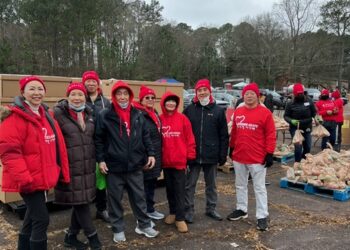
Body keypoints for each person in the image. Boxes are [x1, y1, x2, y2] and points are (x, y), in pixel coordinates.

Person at [0, 76, 70, 250]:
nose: (36, 93)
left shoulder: (46, 115)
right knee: (41, 219)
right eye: (31, 89)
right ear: (23, 92)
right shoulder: (14, 118)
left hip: (43, 178)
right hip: (29, 181)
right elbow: (10, 153)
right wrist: (25, 180)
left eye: (40, 89)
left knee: (32, 217)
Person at [95, 80, 159, 242]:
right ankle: (118, 228)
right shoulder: (105, 115)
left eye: (125, 94)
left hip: (135, 165)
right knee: (115, 199)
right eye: (119, 94)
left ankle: (144, 225)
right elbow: (99, 140)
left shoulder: (138, 114)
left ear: (130, 96)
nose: (122, 97)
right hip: (114, 166)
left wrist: (151, 154)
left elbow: (146, 136)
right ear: (114, 96)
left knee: (139, 197)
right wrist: (101, 160)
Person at [54, 83, 102, 250]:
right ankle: (93, 238)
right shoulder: (58, 114)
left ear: (85, 97)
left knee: (81, 201)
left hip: (87, 167)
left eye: (80, 95)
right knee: (81, 204)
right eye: (73, 94)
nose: (77, 98)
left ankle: (71, 237)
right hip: (70, 168)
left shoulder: (89, 114)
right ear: (67, 97)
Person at [226, 83, 276, 231]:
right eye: (246, 93)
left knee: (259, 187)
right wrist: (232, 147)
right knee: (240, 184)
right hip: (239, 155)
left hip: (257, 157)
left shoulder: (265, 113)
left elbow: (271, 134)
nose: (249, 96)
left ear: (257, 96)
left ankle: (262, 216)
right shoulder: (239, 111)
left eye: (252, 93)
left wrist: (269, 153)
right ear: (243, 96)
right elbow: (234, 131)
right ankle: (241, 209)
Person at [183, 79, 229, 223]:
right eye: (199, 90)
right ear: (196, 93)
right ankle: (188, 211)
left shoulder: (218, 111)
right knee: (190, 185)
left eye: (204, 90)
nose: (202, 93)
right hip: (193, 155)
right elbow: (183, 133)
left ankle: (211, 209)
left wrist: (222, 154)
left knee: (212, 185)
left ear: (210, 91)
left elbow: (223, 135)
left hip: (211, 155)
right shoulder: (189, 110)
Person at [160, 91, 196, 233]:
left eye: (173, 101)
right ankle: (173, 212)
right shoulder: (160, 119)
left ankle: (180, 218)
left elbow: (190, 139)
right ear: (163, 103)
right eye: (168, 101)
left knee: (180, 191)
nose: (171, 103)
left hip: (180, 161)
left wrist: (190, 156)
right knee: (169, 190)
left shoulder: (183, 119)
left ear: (176, 103)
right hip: (166, 162)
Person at [82, 70, 111, 223]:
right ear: (84, 83)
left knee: (101, 180)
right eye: (88, 81)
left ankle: (101, 208)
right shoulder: (79, 99)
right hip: (84, 146)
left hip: (102, 146)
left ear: (98, 83)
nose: (91, 83)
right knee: (85, 180)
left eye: (94, 81)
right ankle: (83, 211)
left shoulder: (106, 102)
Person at [133, 85, 164, 220]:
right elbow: (138, 138)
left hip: (155, 155)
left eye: (153, 97)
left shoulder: (154, 112)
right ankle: (143, 214)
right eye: (147, 97)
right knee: (143, 188)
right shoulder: (139, 114)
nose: (150, 99)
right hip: (145, 157)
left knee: (151, 185)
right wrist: (144, 157)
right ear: (141, 100)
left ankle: (150, 209)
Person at [284, 83, 317, 162]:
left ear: (303, 92)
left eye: (301, 93)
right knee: (298, 147)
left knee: (308, 147)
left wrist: (317, 118)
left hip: (307, 126)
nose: (300, 95)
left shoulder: (309, 100)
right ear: (294, 94)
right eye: (298, 94)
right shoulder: (290, 103)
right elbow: (286, 116)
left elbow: (314, 112)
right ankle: (297, 163)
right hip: (295, 128)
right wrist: (291, 120)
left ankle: (304, 161)